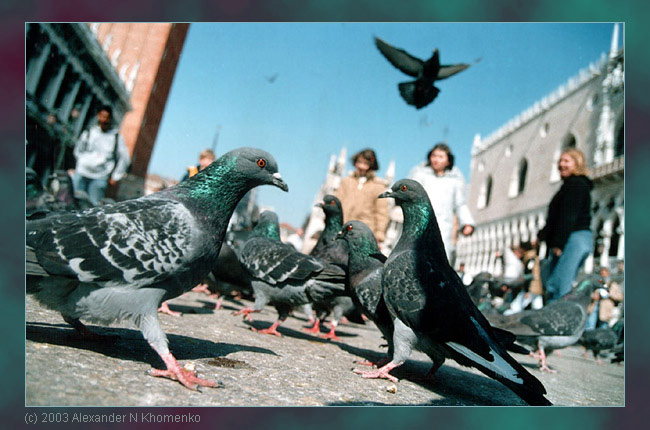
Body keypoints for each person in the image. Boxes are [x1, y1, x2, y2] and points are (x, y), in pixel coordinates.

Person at [538, 148, 593, 303]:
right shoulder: (573, 185)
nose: (561, 164)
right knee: (558, 282)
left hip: (572, 237)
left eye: (566, 161)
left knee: (558, 285)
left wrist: (558, 243)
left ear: (578, 164)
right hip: (577, 237)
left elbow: (568, 216)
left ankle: (554, 323)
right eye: (560, 161)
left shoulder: (575, 184)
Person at [409, 142, 474, 264]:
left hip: (443, 226)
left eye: (440, 156)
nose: (436, 160)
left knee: (437, 262)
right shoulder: (419, 175)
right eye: (434, 155)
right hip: (418, 224)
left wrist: (467, 223)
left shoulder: (454, 181)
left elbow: (460, 204)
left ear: (448, 161)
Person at [71, 105, 130, 206]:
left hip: (100, 178)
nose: (104, 120)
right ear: (98, 116)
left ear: (111, 119)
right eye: (102, 116)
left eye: (107, 117)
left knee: (93, 207)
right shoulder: (89, 132)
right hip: (81, 173)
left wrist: (115, 176)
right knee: (74, 203)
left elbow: (124, 159)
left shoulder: (116, 137)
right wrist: (81, 163)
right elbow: (78, 150)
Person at [335, 149, 390, 246]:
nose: (362, 166)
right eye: (359, 162)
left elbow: (381, 213)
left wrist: (379, 234)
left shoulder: (378, 187)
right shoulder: (346, 182)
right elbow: (336, 203)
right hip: (342, 228)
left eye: (366, 163)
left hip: (364, 232)